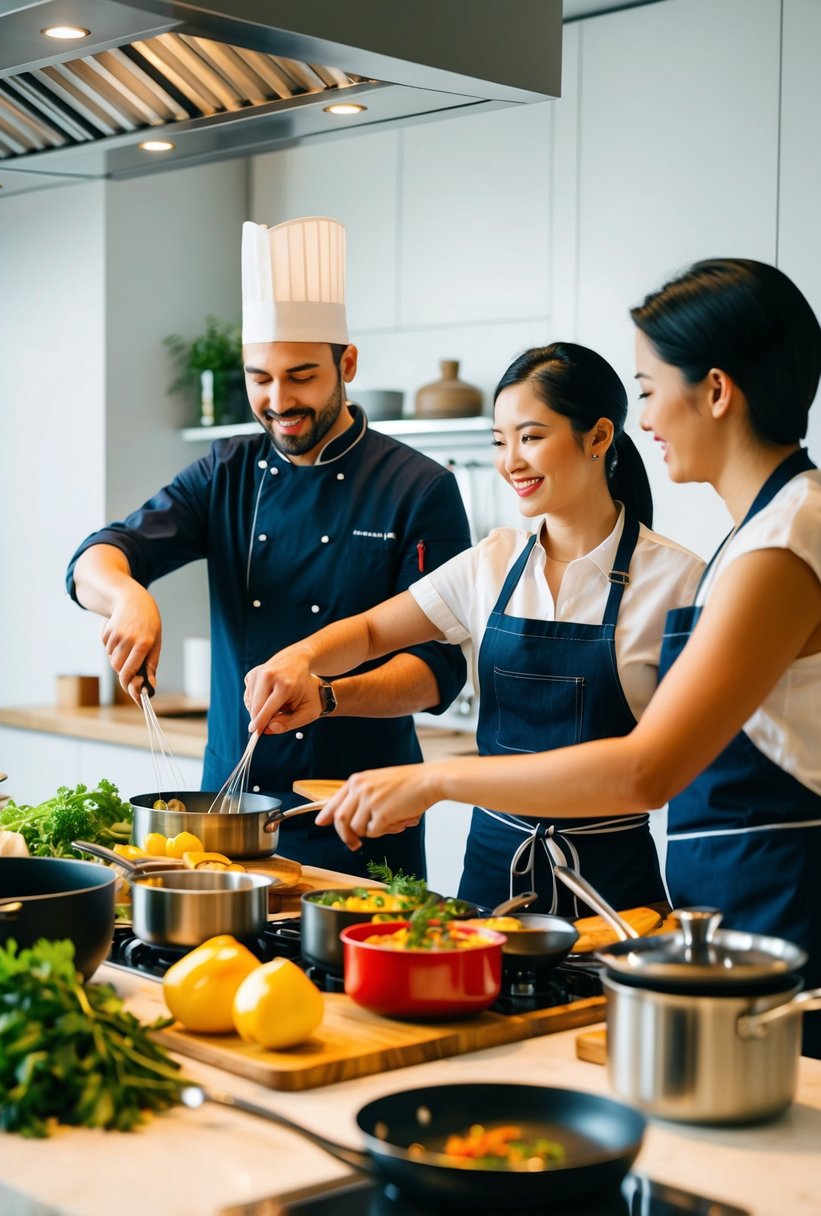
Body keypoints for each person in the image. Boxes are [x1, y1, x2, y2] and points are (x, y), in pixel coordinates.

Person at [309, 259, 821, 1057]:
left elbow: (644, 773)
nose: (645, 415)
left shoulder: (778, 544)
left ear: (716, 391)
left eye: (649, 387)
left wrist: (435, 779)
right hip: (733, 904)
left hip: (777, 910)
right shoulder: (757, 536)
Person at [66, 215, 470, 879]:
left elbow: (439, 669)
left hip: (360, 818)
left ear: (347, 364)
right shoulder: (225, 473)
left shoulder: (419, 488)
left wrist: (332, 693)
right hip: (224, 825)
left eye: (301, 376)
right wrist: (127, 596)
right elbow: (98, 556)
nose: (278, 400)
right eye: (260, 378)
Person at [244, 341, 704, 914]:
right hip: (492, 880)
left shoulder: (678, 582)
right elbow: (368, 634)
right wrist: (301, 661)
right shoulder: (493, 560)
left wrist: (437, 781)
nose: (511, 460)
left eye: (531, 437)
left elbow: (654, 770)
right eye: (499, 441)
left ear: (599, 437)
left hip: (613, 895)